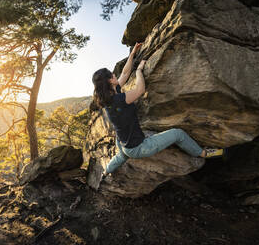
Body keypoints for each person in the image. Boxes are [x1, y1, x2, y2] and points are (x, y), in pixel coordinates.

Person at [91, 42, 224, 179]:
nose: (114, 74)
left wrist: (132, 54)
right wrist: (138, 71)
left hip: (123, 143)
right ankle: (203, 153)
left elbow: (124, 73)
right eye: (111, 75)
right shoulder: (117, 100)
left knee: (121, 156)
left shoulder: (110, 94)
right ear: (109, 81)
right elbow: (140, 90)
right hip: (138, 148)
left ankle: (106, 171)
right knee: (178, 134)